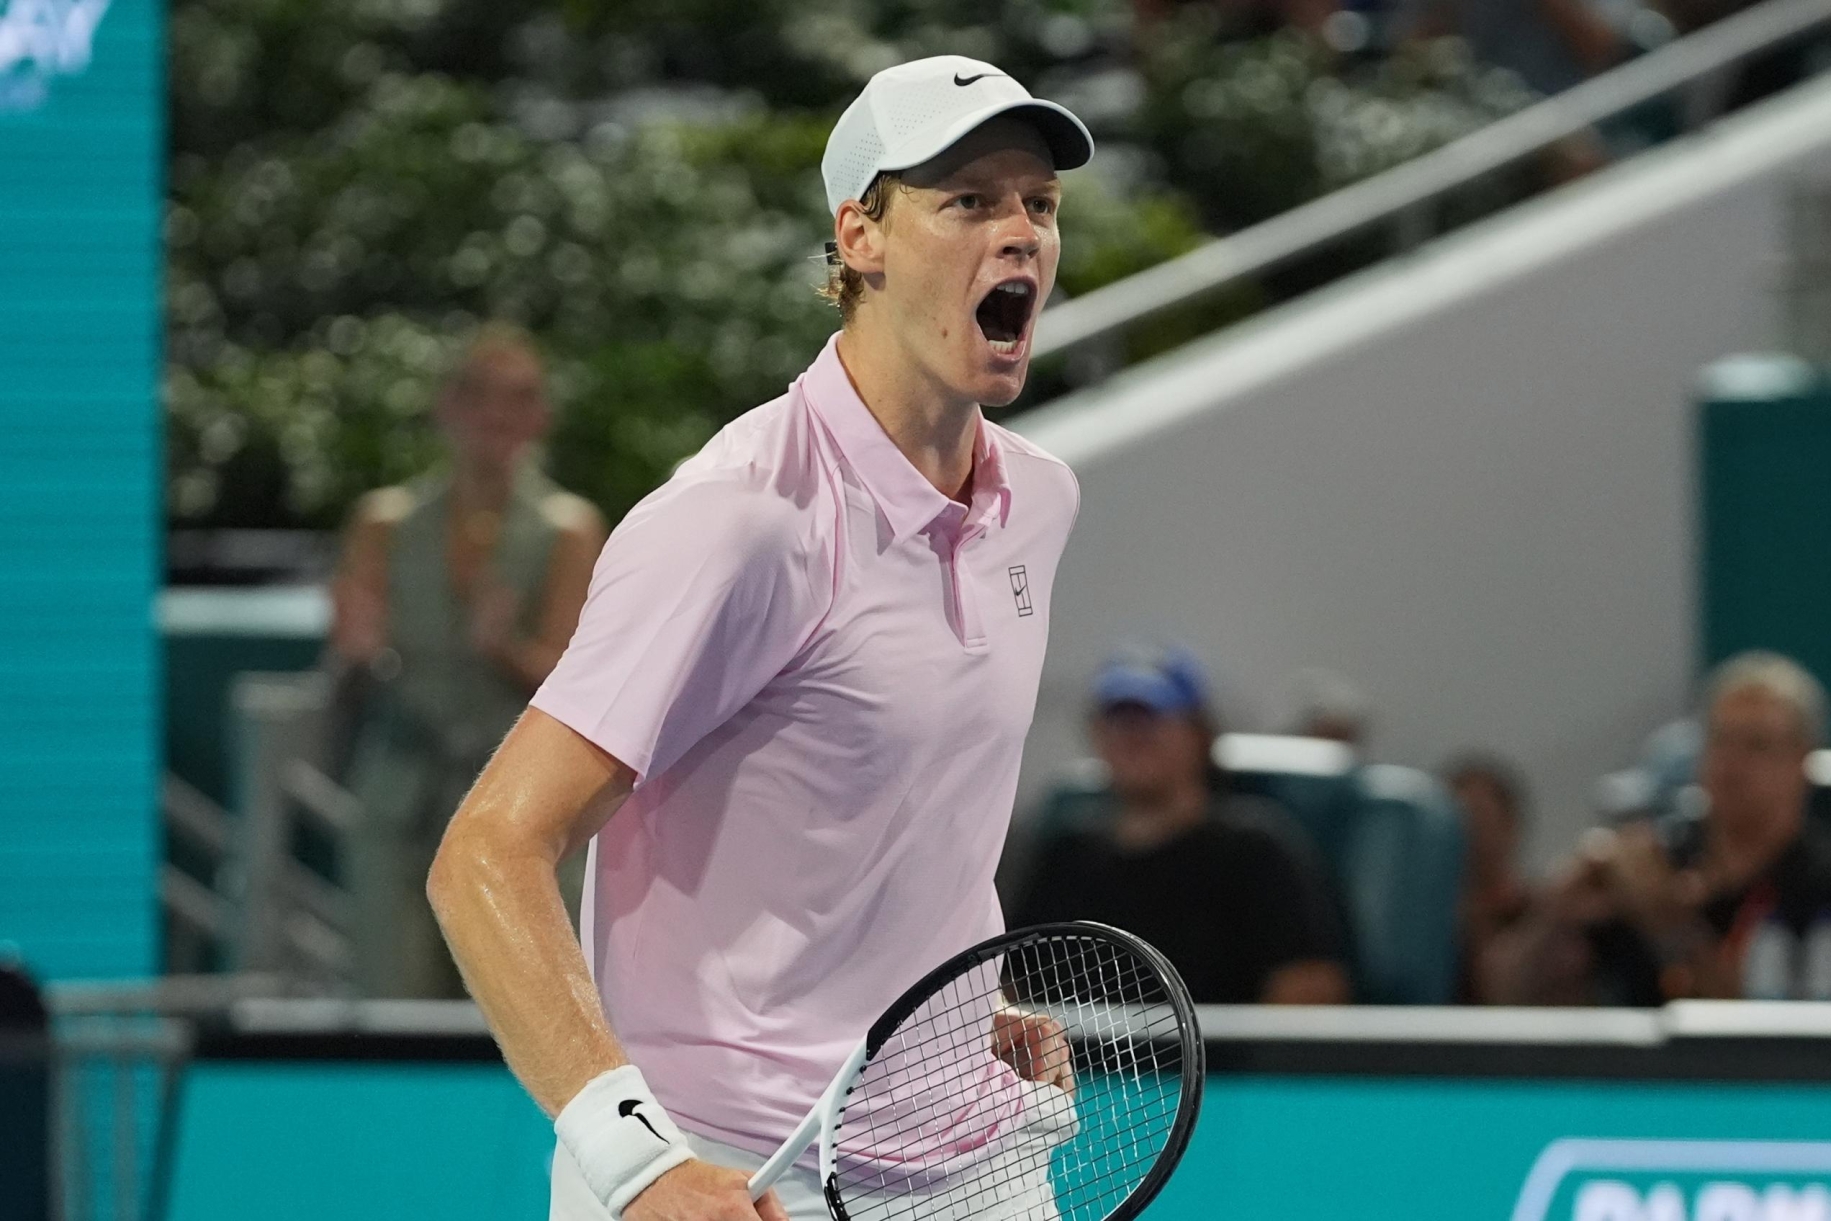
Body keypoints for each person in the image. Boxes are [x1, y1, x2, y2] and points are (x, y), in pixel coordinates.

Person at [428, 56, 1094, 1221]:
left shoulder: (1038, 502)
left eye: (1038, 203)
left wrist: (951, 1010)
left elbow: (876, 818)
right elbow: (485, 854)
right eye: (970, 201)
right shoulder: (738, 523)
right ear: (862, 237)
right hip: (731, 1172)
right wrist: (638, 1165)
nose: (1021, 234)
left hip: (971, 1165)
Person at [331, 324, 605, 999]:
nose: (496, 417)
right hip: (403, 790)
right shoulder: (386, 523)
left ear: (540, 416)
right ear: (446, 407)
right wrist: (357, 648)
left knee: (528, 1010)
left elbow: (582, 680)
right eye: (478, 396)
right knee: (391, 995)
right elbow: (354, 646)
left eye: (517, 399)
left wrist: (506, 648)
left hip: (518, 796)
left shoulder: (567, 528)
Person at [1484, 651, 1831, 1005]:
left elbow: (1767, 1042)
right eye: (1721, 740)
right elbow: (1502, 992)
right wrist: (1553, 917)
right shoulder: (1657, 857)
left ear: (1802, 760)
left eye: (1757, 745)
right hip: (1635, 1080)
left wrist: (1666, 921)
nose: (1732, 762)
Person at [1011, 650, 1353, 1004]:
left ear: (1200, 734)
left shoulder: (1257, 852)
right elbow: (1008, 983)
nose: (1132, 734)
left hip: (1218, 1059)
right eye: (1117, 717)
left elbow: (1310, 991)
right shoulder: (1063, 857)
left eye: (1151, 717)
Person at [1442, 751, 1533, 1003]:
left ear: (1511, 825)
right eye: (1456, 822)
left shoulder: (1540, 913)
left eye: (1480, 818)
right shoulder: (1427, 924)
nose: (1469, 834)